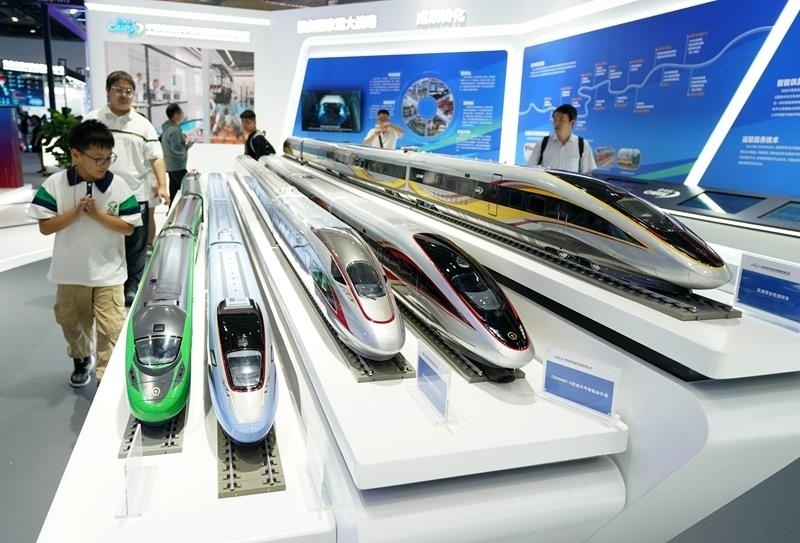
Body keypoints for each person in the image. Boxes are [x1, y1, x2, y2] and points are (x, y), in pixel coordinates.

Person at [26, 120, 142, 387]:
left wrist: (97, 215)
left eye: (108, 158)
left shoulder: (118, 186)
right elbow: (45, 227)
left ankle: (105, 375)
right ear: (76, 155)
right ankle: (81, 358)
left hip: (109, 272)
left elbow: (128, 228)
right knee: (72, 323)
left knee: (111, 327)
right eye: (98, 158)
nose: (104, 164)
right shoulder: (56, 184)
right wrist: (76, 212)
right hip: (70, 273)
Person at [84, 70, 169, 306]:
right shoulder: (93, 120)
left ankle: (132, 286)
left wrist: (162, 185)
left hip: (135, 193)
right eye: (118, 90)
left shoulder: (142, 125)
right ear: (108, 91)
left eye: (128, 91)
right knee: (101, 241)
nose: (124, 95)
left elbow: (156, 157)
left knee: (135, 243)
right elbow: (79, 153)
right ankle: (103, 286)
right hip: (100, 193)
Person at [525, 103, 596, 175]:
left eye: (561, 119)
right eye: (555, 120)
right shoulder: (543, 143)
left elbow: (588, 173)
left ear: (572, 122)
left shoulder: (582, 145)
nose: (556, 123)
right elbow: (530, 168)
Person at [160, 103, 194, 206]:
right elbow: (177, 149)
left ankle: (172, 210)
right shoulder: (174, 130)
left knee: (174, 191)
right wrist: (187, 146)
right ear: (175, 114)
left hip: (170, 165)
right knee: (189, 188)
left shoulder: (167, 129)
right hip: (177, 166)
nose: (182, 115)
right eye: (181, 112)